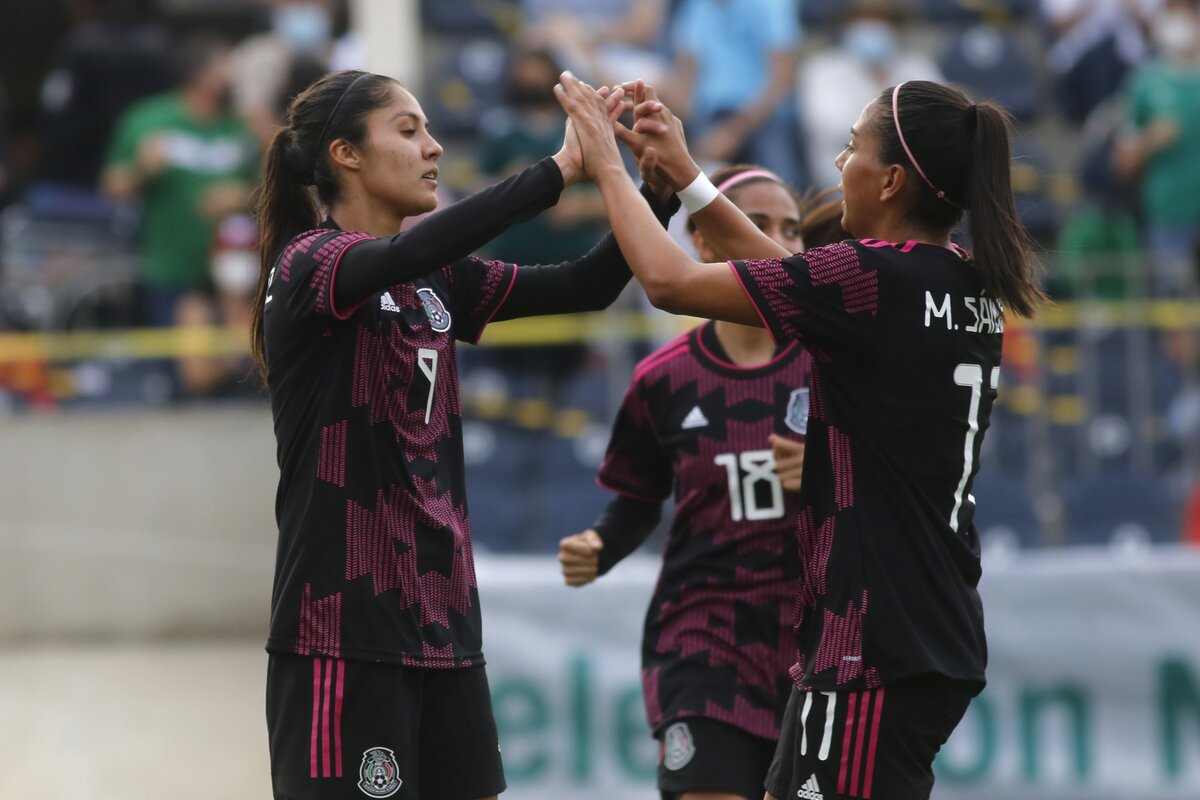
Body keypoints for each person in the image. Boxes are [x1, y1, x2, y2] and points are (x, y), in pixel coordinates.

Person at [555, 73, 1043, 800]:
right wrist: (687, 175)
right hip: (915, 624)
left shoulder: (870, 278)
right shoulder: (962, 281)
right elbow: (791, 279)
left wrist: (605, 165)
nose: (840, 163)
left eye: (852, 148)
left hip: (873, 641)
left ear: (891, 181)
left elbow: (667, 282)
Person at [253, 69, 676, 800]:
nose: (434, 147)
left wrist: (656, 190)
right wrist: (560, 170)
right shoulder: (310, 264)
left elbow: (586, 285)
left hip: (445, 626)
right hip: (343, 634)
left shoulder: (436, 280)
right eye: (408, 130)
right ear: (345, 154)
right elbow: (400, 256)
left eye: (428, 128)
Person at [557, 170, 849, 800]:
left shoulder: (833, 362)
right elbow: (638, 500)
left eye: (792, 229)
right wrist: (601, 544)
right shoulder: (664, 377)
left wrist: (826, 469)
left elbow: (896, 479)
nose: (781, 242)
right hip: (704, 638)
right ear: (705, 241)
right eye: (758, 224)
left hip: (817, 641)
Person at [101, 34, 258, 327]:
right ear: (200, 73)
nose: (233, 74)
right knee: (184, 346)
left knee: (239, 348)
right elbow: (112, 187)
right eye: (225, 65)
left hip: (235, 269)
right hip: (169, 265)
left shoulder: (241, 126)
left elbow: (272, 189)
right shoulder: (148, 120)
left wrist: (243, 196)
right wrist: (143, 170)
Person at [668, 0, 809, 189]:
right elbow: (687, 75)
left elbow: (782, 81)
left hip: (765, 116)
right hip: (711, 117)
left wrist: (732, 133)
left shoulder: (769, 5)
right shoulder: (696, 7)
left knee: (780, 185)